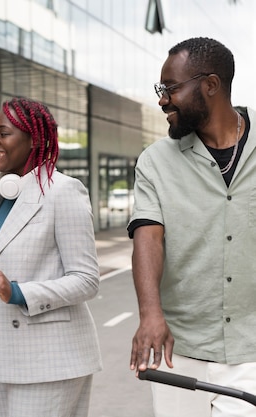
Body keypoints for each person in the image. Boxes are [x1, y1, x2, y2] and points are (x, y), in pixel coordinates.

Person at [0, 97, 102, 417]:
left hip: (51, 361)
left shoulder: (63, 192)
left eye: (4, 133)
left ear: (35, 140)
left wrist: (19, 291)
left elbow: (86, 280)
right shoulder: (5, 196)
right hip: (10, 360)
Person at [128, 37, 256, 417]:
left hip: (252, 348)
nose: (162, 99)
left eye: (170, 89)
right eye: (160, 90)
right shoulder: (154, 162)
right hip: (178, 351)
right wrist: (150, 314)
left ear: (210, 85)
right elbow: (148, 236)